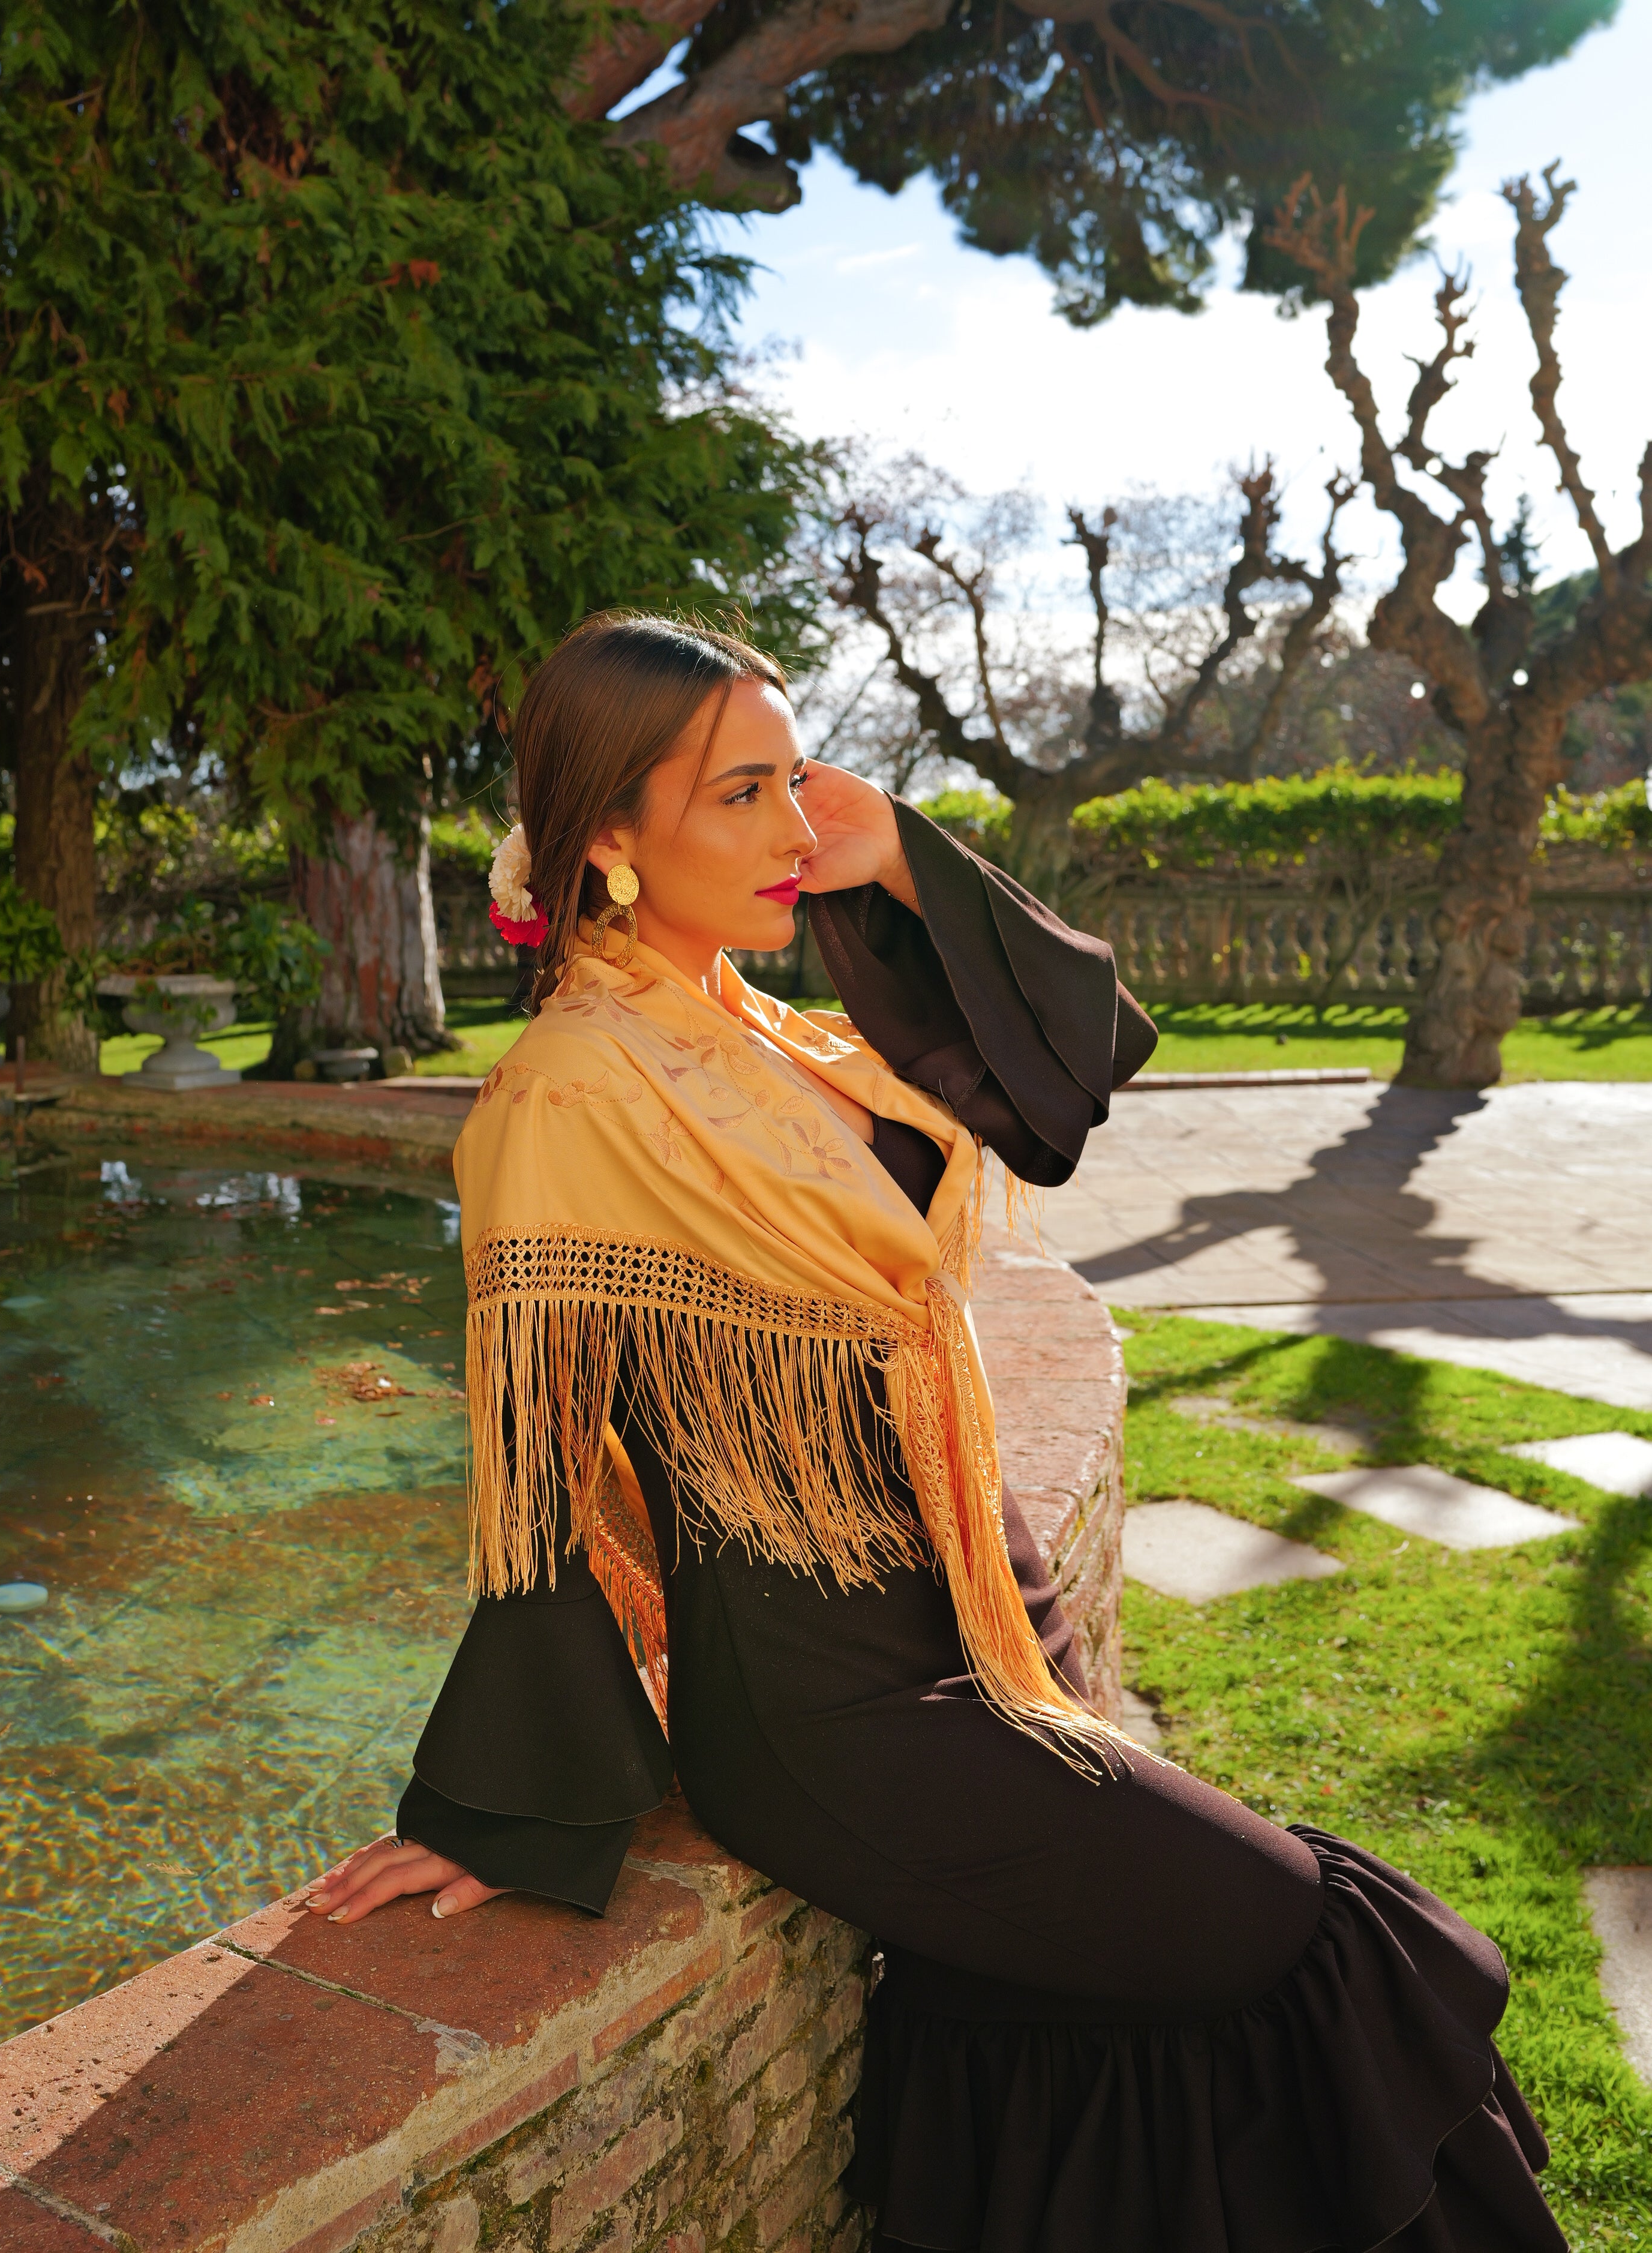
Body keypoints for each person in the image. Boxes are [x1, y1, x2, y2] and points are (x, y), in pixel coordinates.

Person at [308, 613, 1564, 2252]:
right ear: (608, 835)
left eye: (798, 777)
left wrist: (894, 847)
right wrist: (507, 1805)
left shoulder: (767, 1029)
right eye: (739, 794)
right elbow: (540, 1468)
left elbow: (1069, 1072)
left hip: (987, 1617)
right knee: (1298, 1935)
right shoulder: (569, 1093)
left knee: (1079, 2023)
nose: (792, 826)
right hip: (839, 1715)